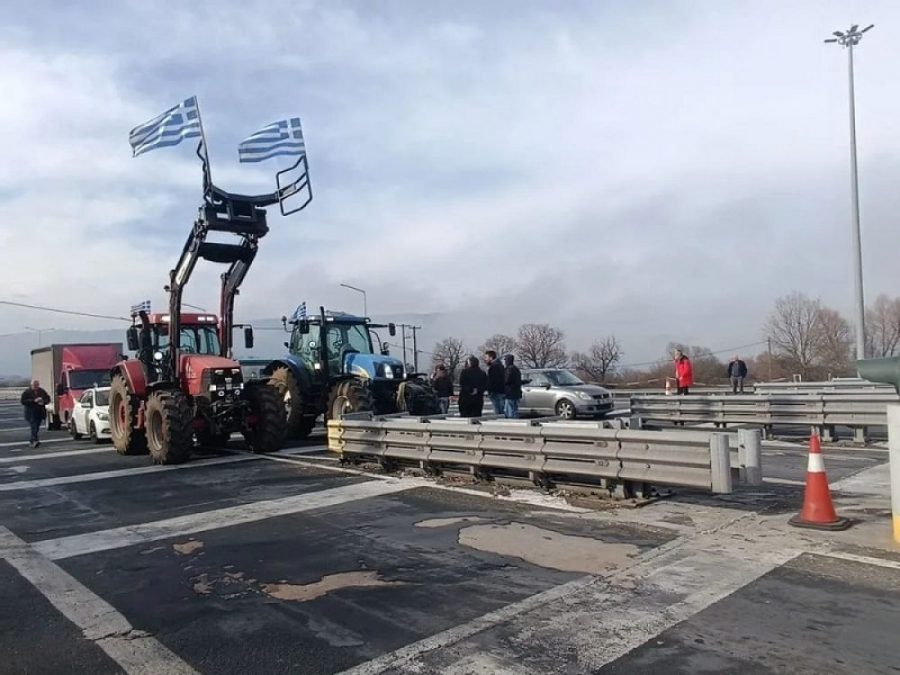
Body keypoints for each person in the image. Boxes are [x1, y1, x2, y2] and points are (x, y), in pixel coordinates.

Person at [21, 379, 50, 448]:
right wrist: (34, 401)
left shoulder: (41, 391)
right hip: (31, 413)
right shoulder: (27, 392)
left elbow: (48, 399)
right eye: (34, 385)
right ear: (31, 385)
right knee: (33, 426)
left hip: (39, 412)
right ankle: (33, 441)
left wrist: (43, 401)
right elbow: (23, 401)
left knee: (36, 427)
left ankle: (34, 440)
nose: (36, 386)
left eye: (37, 385)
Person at [484, 350, 506, 415]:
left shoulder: (493, 366)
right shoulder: (500, 365)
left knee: (497, 409)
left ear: (491, 358)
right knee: (501, 408)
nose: (485, 359)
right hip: (501, 390)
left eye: (486, 357)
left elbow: (492, 380)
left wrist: (488, 389)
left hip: (495, 391)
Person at [503, 354, 523, 418]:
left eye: (506, 360)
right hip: (516, 392)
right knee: (514, 409)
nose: (505, 362)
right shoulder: (516, 369)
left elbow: (507, 380)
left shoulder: (509, 369)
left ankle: (512, 423)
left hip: (510, 392)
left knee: (510, 410)